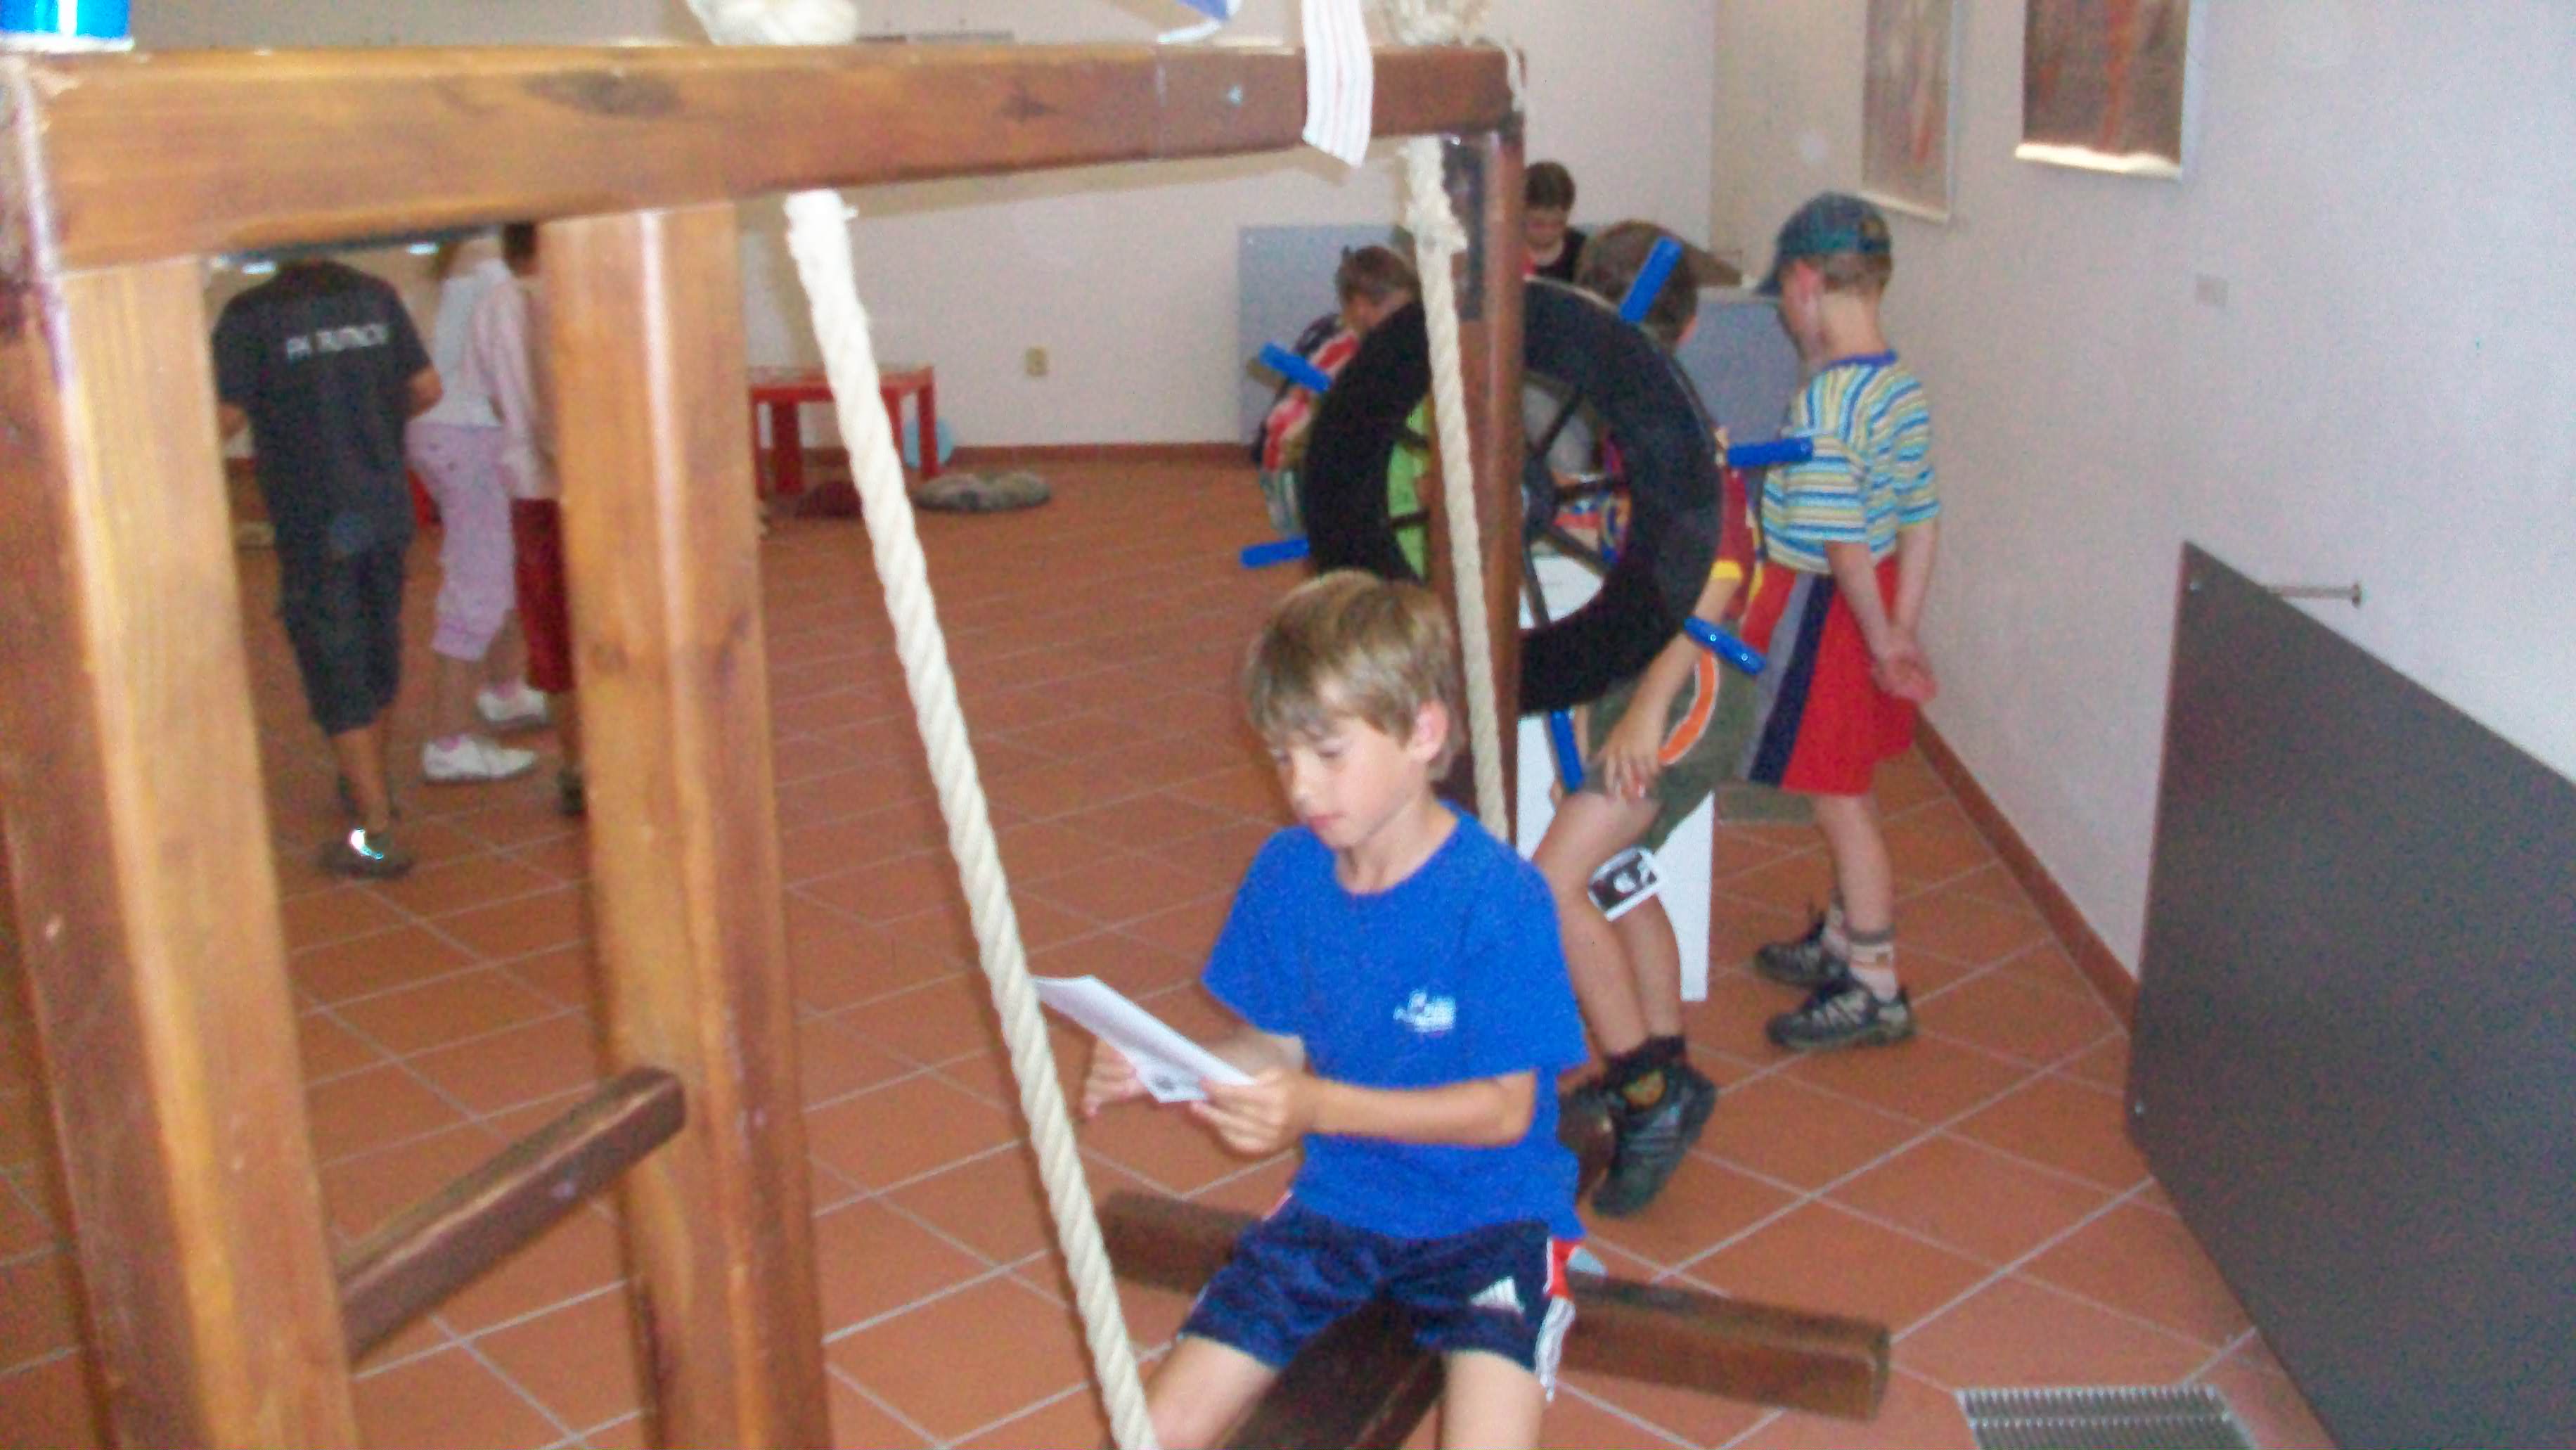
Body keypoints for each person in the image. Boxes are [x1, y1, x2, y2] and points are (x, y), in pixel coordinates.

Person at [1083, 571, 1586, 1450]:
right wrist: (1167, 1064)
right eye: (1282, 757)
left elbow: (1505, 1111)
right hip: (1340, 1203)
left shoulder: (1498, 898)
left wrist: (1317, 1105)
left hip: (1493, 1220)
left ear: (1424, 731)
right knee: (1150, 1431)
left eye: (1326, 753)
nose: (1301, 787)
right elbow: (1274, 1046)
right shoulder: (1287, 873)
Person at [1527, 220, 1764, 1217]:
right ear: (1693, 321)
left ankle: (1643, 1093)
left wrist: (1645, 714)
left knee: (1551, 887)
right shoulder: (1633, 428)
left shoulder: (1685, 438)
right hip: (1643, 681)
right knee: (1615, 876)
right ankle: (1668, 1064)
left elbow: (1718, 580)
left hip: (1687, 684)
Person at [1739, 192, 1941, 1051]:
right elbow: (1920, 518)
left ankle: (1873, 983)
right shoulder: (1899, 386)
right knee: (1844, 781)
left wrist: (1877, 634)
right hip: (1872, 598)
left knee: (1838, 797)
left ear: (1804, 284)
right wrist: (1901, 623)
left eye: (1786, 301)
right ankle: (1839, 939)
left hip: (1829, 606)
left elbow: (1841, 540)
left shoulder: (1826, 404)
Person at [214, 255, 442, 879]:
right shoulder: (375, 295)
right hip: (384, 502)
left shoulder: (252, 313)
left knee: (332, 660)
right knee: (377, 646)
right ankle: (372, 788)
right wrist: (369, 424)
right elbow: (427, 388)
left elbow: (226, 416)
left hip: (314, 514)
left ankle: (375, 833)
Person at [406, 233, 545, 786]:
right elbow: (510, 373)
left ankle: (506, 690)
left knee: (501, 563)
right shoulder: (494, 272)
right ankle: (448, 742)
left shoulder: (462, 260)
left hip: (450, 430)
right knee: (480, 581)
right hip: (471, 434)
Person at [460, 222, 586, 818]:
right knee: (613, 622)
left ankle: (577, 764)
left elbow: (488, 394)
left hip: (531, 489)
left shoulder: (493, 305)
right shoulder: (579, 294)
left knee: (554, 630)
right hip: (598, 491)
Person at [1254, 245, 1420, 535]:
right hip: (1298, 463)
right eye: (1397, 312)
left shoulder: (1384, 345)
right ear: (1361, 307)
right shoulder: (1343, 353)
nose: (1405, 322)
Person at [1524, 162, 1586, 285]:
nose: (1548, 232)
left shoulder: (1584, 253)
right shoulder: (1503, 252)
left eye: (1559, 224)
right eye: (1537, 224)